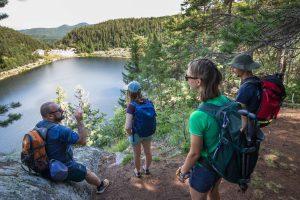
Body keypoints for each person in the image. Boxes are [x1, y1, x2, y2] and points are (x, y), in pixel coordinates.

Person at [177, 58, 230, 200]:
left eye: (187, 77)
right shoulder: (226, 101)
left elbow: (195, 153)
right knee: (214, 192)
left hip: (205, 168)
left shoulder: (198, 116)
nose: (187, 79)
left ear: (198, 81)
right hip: (221, 161)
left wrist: (183, 171)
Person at [36, 102, 109, 194]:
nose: (62, 110)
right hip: (61, 166)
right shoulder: (61, 130)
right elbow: (82, 141)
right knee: (87, 172)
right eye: (59, 110)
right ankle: (100, 186)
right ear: (50, 116)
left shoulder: (39, 126)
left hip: (44, 166)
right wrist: (79, 120)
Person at [125, 81, 155, 178]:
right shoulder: (149, 102)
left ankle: (137, 172)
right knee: (148, 152)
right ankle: (146, 169)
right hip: (148, 132)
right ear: (140, 91)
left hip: (136, 134)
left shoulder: (131, 106)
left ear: (129, 93)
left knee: (137, 154)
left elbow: (127, 127)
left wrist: (130, 135)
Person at [229, 53, 261, 129]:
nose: (233, 70)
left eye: (235, 67)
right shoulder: (256, 80)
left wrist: (242, 129)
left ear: (243, 68)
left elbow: (241, 108)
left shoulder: (247, 86)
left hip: (247, 125)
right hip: (254, 121)